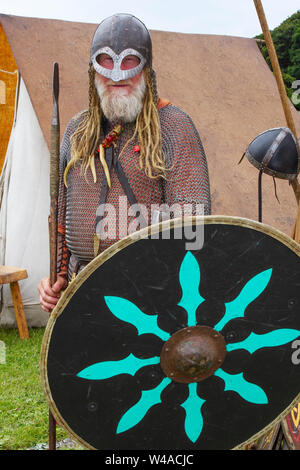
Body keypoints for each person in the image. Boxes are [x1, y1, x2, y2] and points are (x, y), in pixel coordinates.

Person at [38, 13, 211, 312]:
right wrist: (58, 278)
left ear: (147, 72)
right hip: (83, 292)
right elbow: (63, 222)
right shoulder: (77, 131)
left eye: (129, 66)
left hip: (151, 299)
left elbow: (191, 229)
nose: (117, 77)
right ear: (93, 74)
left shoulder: (173, 128)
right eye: (106, 67)